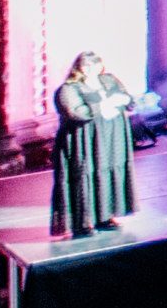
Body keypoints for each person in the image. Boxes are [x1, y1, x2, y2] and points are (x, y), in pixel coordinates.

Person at [51, 53, 137, 235]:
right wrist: (102, 106)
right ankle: (81, 224)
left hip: (111, 140)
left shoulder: (109, 81)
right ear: (79, 68)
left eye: (95, 65)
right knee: (84, 177)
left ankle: (104, 218)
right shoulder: (69, 89)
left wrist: (126, 100)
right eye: (86, 66)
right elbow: (76, 112)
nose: (91, 70)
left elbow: (128, 99)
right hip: (84, 143)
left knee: (106, 175)